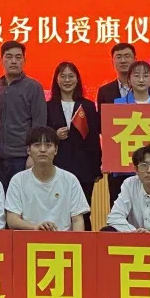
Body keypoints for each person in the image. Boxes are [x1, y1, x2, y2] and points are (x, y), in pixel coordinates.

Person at [96, 43, 150, 210]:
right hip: (121, 160)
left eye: (127, 56)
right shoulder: (105, 91)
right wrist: (108, 158)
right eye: (118, 57)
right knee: (120, 208)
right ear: (112, 61)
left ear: (134, 59)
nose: (123, 60)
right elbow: (104, 128)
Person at [46, 61, 101, 229]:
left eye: (71, 76)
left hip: (84, 168)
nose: (67, 80)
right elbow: (42, 135)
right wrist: (55, 135)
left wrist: (96, 168)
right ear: (56, 80)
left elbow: (93, 139)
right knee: (57, 210)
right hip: (57, 167)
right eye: (63, 76)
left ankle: (85, 244)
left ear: (77, 79)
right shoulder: (48, 106)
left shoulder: (88, 106)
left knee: (83, 212)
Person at [5, 127, 89, 231]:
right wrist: (36, 228)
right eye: (37, 145)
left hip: (63, 239)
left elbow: (77, 220)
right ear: (28, 150)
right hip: (30, 238)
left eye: (48, 145)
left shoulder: (70, 180)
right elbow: (12, 220)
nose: (43, 150)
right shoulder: (18, 180)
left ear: (56, 150)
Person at [0, 41, 47, 189]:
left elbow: (39, 125)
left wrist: (32, 156)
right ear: (1, 60)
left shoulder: (33, 87)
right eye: (9, 57)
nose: (14, 61)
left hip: (22, 159)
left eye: (18, 57)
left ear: (24, 60)